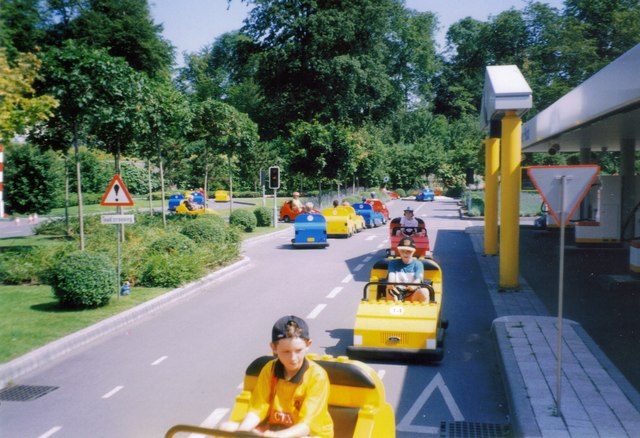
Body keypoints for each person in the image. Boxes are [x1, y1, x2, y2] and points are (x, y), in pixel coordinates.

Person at [221, 316, 334, 437]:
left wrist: (278, 436)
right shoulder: (269, 369)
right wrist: (243, 431)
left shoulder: (317, 376)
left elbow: (307, 425)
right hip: (275, 428)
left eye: (298, 350)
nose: (293, 358)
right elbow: (257, 409)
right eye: (286, 352)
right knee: (226, 428)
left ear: (308, 344)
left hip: (308, 433)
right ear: (274, 348)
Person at [386, 237, 430, 303]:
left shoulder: (418, 264)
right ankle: (390, 308)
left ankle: (423, 311)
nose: (405, 253)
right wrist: (391, 283)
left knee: (424, 291)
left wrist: (414, 285)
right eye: (402, 251)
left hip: (412, 294)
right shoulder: (393, 263)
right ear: (399, 251)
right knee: (387, 289)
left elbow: (418, 278)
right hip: (396, 292)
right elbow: (391, 275)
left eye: (409, 251)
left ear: (413, 251)